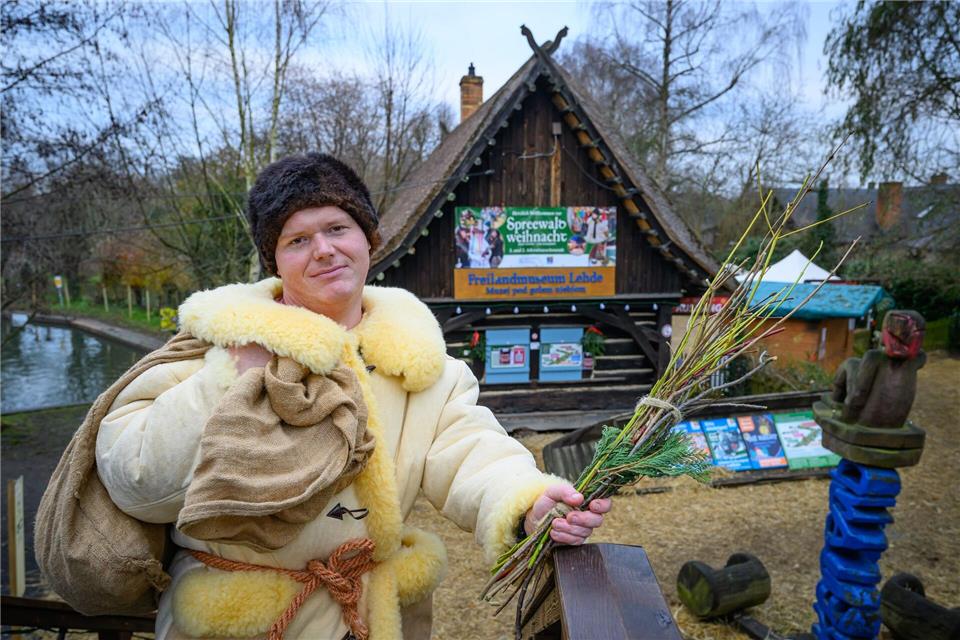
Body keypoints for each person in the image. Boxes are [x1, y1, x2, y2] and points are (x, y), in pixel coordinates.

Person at [95, 153, 611, 640]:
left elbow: (472, 451)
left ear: (369, 240)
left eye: (338, 228)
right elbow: (135, 480)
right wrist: (231, 374)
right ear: (274, 259)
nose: (323, 249)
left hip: (371, 616)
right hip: (242, 620)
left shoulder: (422, 365)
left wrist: (525, 500)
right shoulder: (215, 348)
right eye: (297, 240)